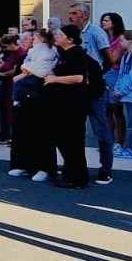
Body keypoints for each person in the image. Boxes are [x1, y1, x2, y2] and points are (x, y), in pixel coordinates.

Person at [67, 2, 113, 184]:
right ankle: (77, 166)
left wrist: (98, 74)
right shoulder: (74, 33)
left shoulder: (96, 33)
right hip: (77, 87)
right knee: (76, 128)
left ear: (85, 15)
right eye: (70, 13)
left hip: (93, 88)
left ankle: (106, 168)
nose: (71, 16)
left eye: (75, 13)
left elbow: (109, 58)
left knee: (100, 128)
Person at [43, 24, 93, 189]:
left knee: (72, 141)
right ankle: (70, 172)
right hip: (63, 103)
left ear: (70, 39)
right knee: (63, 138)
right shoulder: (64, 54)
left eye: (60, 34)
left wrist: (55, 79)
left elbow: (78, 77)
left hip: (74, 104)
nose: (57, 36)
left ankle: (77, 178)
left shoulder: (76, 54)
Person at [99, 12, 129, 153]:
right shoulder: (104, 38)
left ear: (114, 23)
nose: (103, 22)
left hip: (115, 73)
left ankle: (119, 142)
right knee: (106, 109)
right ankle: (109, 141)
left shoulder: (120, 39)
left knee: (116, 108)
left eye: (106, 20)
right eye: (103, 20)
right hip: (104, 73)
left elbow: (114, 57)